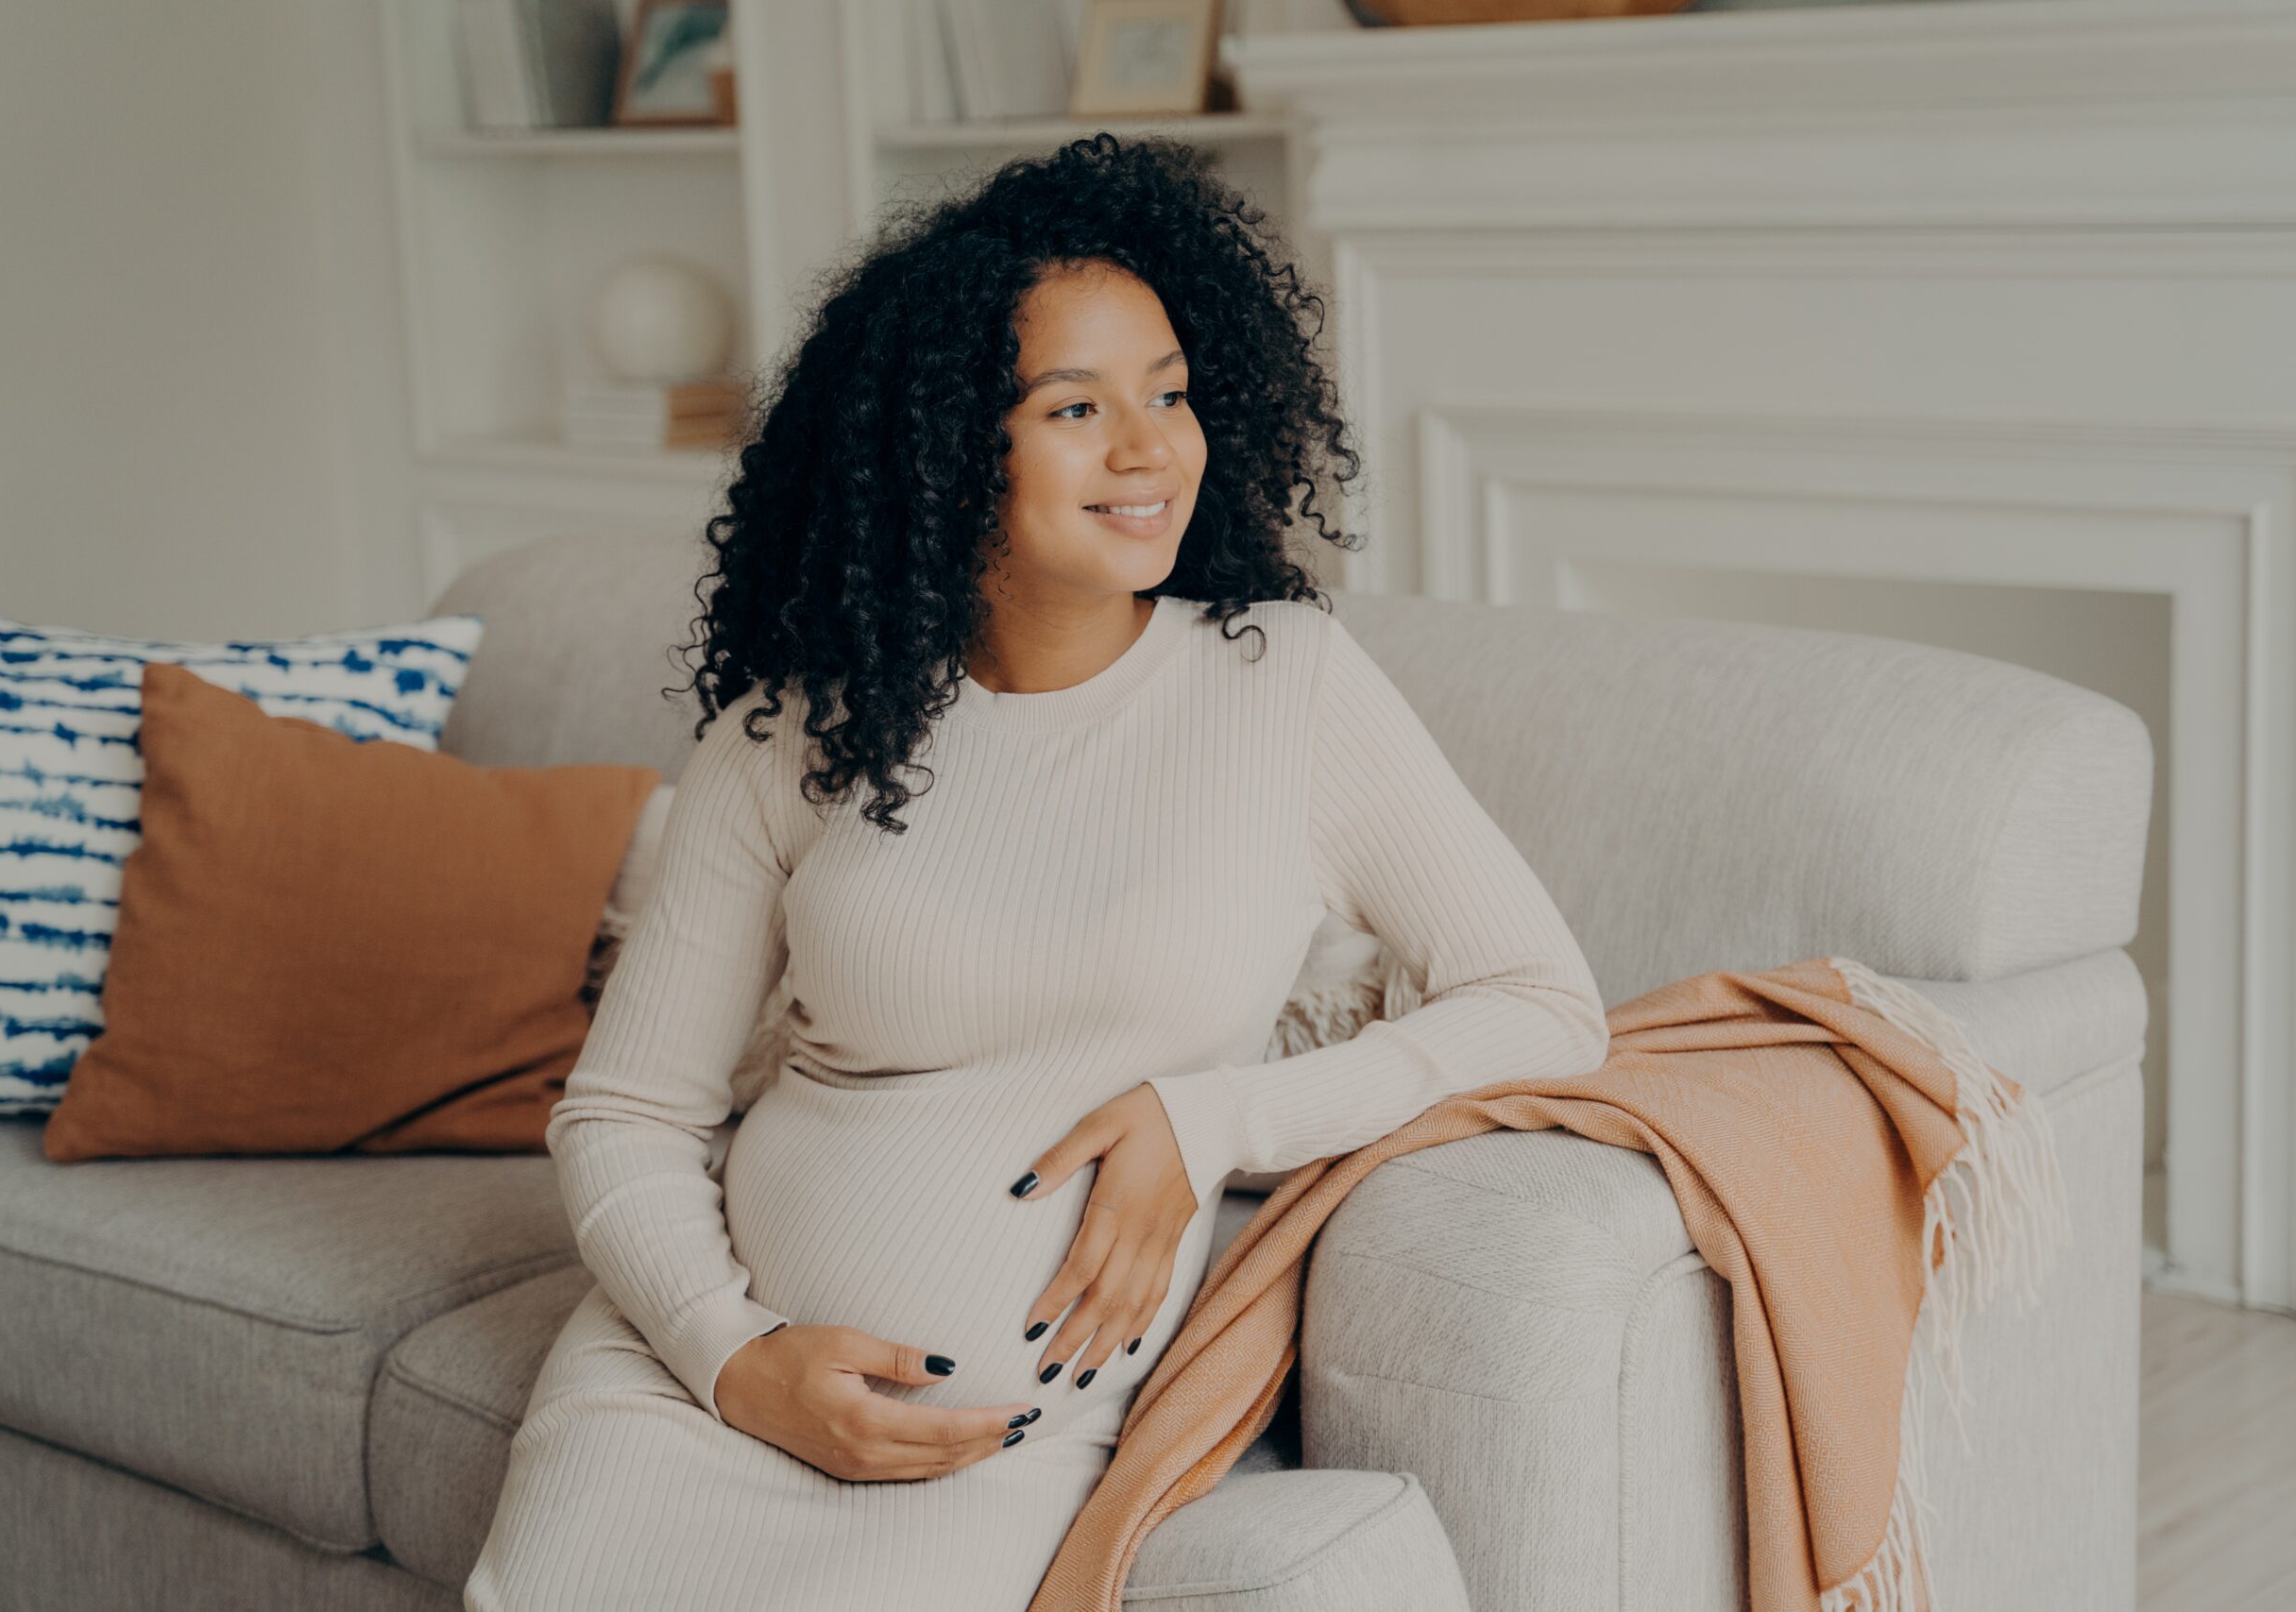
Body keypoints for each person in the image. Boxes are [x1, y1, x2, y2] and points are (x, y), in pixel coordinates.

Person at [465, 132, 1609, 1610]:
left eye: (1172, 394)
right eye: (1077, 407)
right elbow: (623, 1112)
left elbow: (1542, 999)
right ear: (946, 447)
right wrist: (729, 1354)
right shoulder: (795, 730)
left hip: (992, 1452)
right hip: (685, 1395)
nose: (1150, 449)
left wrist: (1214, 1118)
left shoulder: (1288, 690)